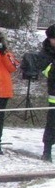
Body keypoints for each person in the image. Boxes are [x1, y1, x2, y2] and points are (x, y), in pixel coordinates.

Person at [39, 25, 55, 162]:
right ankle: (47, 151)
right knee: (51, 123)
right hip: (54, 94)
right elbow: (44, 70)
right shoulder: (46, 52)